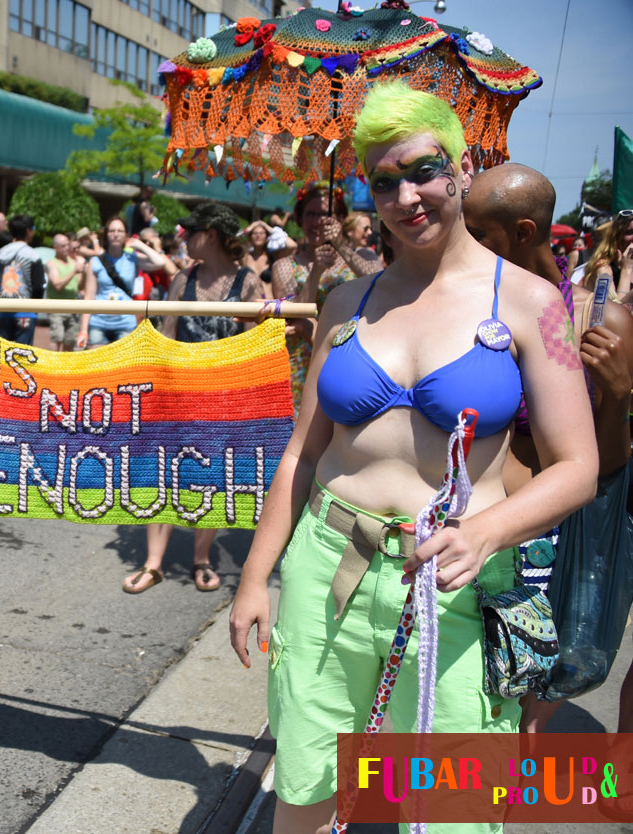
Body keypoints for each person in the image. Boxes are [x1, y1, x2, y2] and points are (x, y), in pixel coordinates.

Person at [228, 82, 599, 834]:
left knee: (453, 803)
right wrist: (255, 577)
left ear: (463, 170)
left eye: (424, 171)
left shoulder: (536, 304)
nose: (406, 197)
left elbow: (577, 467)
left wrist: (486, 533)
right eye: (383, 181)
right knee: (306, 781)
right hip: (327, 566)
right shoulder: (347, 303)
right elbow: (302, 452)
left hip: (453, 585)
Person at [464, 162, 633, 732]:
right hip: (481, 524)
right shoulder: (473, 310)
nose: (465, 243)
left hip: (556, 540)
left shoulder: (598, 319)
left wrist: (617, 395)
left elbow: (607, 468)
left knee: (528, 705)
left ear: (524, 232)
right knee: (473, 691)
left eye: (478, 233)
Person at [123, 202, 263, 595]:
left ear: (211, 235)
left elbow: (253, 344)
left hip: (223, 398)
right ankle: (153, 563)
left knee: (211, 478)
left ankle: (201, 558)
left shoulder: (248, 281)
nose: (183, 239)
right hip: (179, 394)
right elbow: (168, 334)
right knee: (163, 473)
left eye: (190, 232)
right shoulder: (184, 278)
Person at [269, 183, 376, 415]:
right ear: (300, 219)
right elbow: (293, 314)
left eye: (326, 215)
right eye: (311, 214)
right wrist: (315, 271)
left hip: (350, 360)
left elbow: (379, 282)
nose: (318, 221)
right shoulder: (284, 265)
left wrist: (341, 247)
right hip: (301, 365)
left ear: (341, 219)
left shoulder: (363, 257)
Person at [76, 216, 170, 349]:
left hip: (125, 322)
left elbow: (160, 262)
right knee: (97, 360)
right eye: (112, 231)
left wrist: (139, 244)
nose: (116, 234)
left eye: (120, 231)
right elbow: (89, 297)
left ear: (126, 235)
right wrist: (83, 330)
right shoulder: (95, 262)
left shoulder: (132, 258)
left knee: (123, 361)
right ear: (106, 234)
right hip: (98, 322)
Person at [0, 213, 47, 346]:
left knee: (3, 352)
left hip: (4, 311)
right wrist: (35, 307)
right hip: (26, 312)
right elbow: (38, 286)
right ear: (28, 230)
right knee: (22, 353)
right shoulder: (33, 255)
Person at [45, 232, 85, 351]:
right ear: (55, 248)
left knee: (70, 341)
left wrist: (84, 273)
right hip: (56, 309)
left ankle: (65, 364)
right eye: (63, 246)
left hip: (72, 309)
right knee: (57, 338)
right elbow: (58, 285)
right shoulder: (52, 263)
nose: (67, 248)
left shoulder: (73, 263)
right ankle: (53, 363)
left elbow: (79, 286)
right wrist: (74, 272)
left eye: (68, 245)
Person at [583, 209, 633, 300]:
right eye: (630, 232)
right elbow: (615, 307)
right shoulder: (602, 267)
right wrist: (626, 270)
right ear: (616, 236)